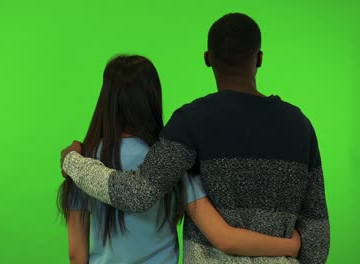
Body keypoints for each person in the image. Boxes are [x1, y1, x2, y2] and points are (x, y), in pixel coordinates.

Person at [61, 13, 330, 263]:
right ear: (259, 58)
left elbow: (137, 194)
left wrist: (73, 162)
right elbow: (316, 244)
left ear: (207, 58)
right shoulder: (301, 127)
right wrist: (290, 248)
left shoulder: (190, 123)